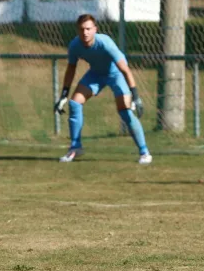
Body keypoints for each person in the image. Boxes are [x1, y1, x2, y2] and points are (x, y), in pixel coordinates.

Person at [54, 14, 152, 165]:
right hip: (96, 74)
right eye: (81, 29)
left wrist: (136, 96)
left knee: (124, 111)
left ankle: (144, 152)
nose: (85, 33)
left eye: (88, 29)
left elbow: (125, 70)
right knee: (74, 103)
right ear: (78, 31)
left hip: (116, 74)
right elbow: (71, 68)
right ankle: (75, 147)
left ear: (95, 29)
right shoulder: (75, 45)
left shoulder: (105, 43)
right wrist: (64, 95)